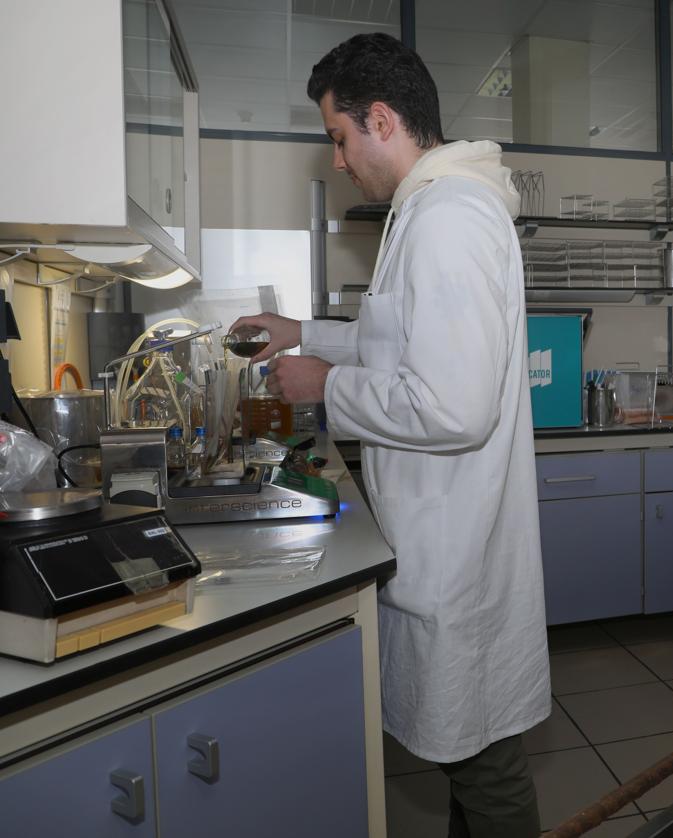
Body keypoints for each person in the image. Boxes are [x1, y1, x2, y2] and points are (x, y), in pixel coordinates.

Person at [229, 33, 549, 838]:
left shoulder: (449, 219)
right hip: (443, 532)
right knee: (469, 753)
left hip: (457, 546)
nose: (338, 161)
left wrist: (327, 388)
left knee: (485, 765)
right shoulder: (429, 210)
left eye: (339, 138)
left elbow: (453, 405)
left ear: (380, 118)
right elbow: (397, 339)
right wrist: (300, 333)